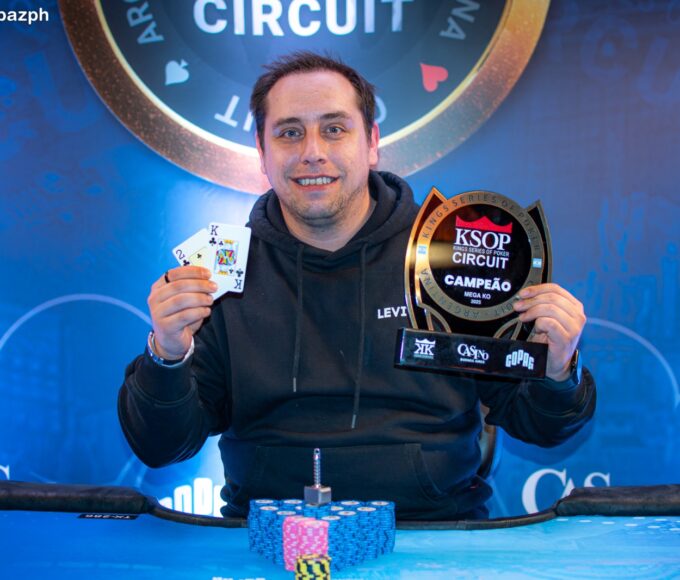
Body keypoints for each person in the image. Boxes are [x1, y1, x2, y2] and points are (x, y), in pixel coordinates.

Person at [119, 51, 596, 521]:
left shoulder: (452, 254)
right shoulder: (222, 271)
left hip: (435, 531)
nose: (312, 152)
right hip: (266, 536)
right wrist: (166, 356)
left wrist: (556, 370)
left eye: (334, 129)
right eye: (289, 132)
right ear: (262, 153)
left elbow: (541, 425)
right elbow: (160, 446)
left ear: (371, 143)